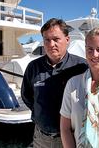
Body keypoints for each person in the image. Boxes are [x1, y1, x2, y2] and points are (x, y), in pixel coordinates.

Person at [21, 18, 88, 148]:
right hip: (41, 138)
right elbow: (27, 96)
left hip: (71, 138)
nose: (51, 44)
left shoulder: (82, 67)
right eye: (47, 40)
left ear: (67, 40)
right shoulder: (33, 67)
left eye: (56, 39)